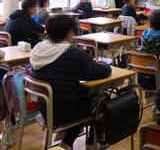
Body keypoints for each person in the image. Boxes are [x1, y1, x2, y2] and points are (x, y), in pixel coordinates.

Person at [30, 16, 111, 150]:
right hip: (63, 112)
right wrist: (101, 63)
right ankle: (93, 143)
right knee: (100, 100)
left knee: (80, 97)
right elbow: (102, 72)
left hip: (45, 108)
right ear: (69, 32)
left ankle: (67, 143)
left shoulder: (38, 49)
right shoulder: (72, 53)